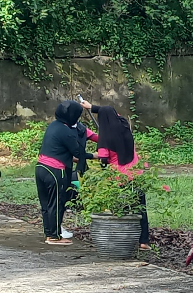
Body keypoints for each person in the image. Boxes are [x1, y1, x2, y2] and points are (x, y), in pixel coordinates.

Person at [77, 96, 150, 247]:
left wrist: (92, 156)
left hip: (118, 179)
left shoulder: (105, 140)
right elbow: (112, 113)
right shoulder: (125, 128)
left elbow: (103, 158)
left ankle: (123, 241)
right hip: (136, 175)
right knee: (140, 209)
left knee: (121, 210)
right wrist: (92, 107)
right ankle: (144, 240)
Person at [36, 101, 91, 246]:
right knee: (57, 203)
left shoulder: (53, 126)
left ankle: (49, 234)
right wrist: (96, 156)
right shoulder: (66, 131)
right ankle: (54, 237)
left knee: (46, 204)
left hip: (41, 167)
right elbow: (78, 153)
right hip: (55, 171)